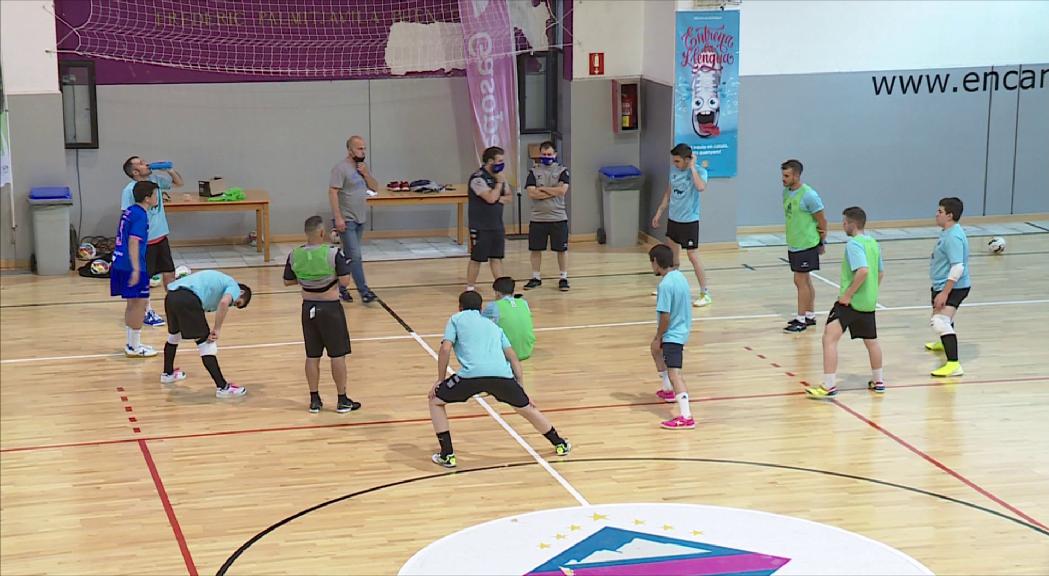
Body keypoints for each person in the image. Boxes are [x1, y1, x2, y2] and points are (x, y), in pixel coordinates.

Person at [428, 291, 570, 468]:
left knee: (435, 400)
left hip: (471, 375)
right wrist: (521, 391)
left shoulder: (456, 319)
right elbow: (513, 358)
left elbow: (445, 349)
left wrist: (440, 380)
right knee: (527, 409)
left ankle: (447, 454)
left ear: (460, 306)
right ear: (481, 308)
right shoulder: (493, 326)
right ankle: (559, 443)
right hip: (502, 375)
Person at [283, 216, 363, 414]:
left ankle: (314, 399)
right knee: (337, 355)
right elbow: (345, 282)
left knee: (312, 356)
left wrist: (307, 280)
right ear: (321, 232)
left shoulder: (295, 254)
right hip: (330, 309)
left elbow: (288, 281)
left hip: (308, 308)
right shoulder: (333, 253)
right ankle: (342, 400)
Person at [806, 207, 885, 398]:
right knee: (871, 342)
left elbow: (863, 270)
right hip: (868, 302)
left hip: (851, 302)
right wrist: (872, 292)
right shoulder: (873, 243)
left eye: (844, 222)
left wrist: (848, 295)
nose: (842, 225)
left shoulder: (854, 245)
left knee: (829, 337)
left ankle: (829, 385)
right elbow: (880, 272)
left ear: (852, 224)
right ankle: (878, 380)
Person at [161, 270, 252, 398]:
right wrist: (217, 329)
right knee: (206, 345)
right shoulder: (234, 287)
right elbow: (224, 303)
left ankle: (168, 374)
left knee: (174, 336)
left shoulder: (217, 286)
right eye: (237, 302)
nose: (232, 304)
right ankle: (223, 388)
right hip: (187, 298)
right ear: (241, 293)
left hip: (171, 296)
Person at [121, 156, 183, 326]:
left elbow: (178, 183)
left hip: (161, 238)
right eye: (140, 164)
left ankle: (175, 306)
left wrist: (169, 170)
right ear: (135, 172)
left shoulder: (154, 180)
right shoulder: (130, 190)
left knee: (169, 273)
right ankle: (146, 311)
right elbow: (127, 215)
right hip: (144, 242)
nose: (146, 164)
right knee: (144, 278)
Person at [650, 143, 711, 307]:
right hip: (673, 219)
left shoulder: (699, 172)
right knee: (672, 256)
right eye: (674, 161)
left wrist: (692, 168)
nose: (674, 164)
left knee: (693, 256)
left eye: (677, 161)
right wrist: (659, 211)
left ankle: (705, 293)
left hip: (689, 221)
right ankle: (670, 287)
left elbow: (700, 187)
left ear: (687, 160)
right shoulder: (674, 171)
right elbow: (668, 192)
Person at [649, 244, 695, 429]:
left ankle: (686, 416)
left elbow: (665, 316)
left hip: (672, 334)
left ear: (655, 262)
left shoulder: (665, 285)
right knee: (655, 352)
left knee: (675, 373)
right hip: (682, 329)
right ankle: (668, 390)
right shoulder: (680, 277)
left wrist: (659, 336)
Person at [112, 181, 159, 357]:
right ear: (147, 198)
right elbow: (133, 241)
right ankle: (135, 347)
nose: (157, 198)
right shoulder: (140, 215)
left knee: (132, 304)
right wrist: (136, 269)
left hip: (119, 261)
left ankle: (132, 344)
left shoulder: (130, 210)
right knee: (139, 304)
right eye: (155, 195)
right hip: (130, 264)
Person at [329, 135, 379, 304]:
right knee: (355, 256)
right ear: (350, 150)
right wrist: (338, 218)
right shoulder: (340, 169)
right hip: (347, 219)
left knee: (349, 256)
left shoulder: (362, 168)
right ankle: (364, 291)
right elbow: (333, 192)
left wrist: (366, 174)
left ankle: (339, 287)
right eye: (359, 148)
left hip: (360, 219)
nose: (363, 151)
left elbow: (374, 187)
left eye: (364, 148)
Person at [780, 159, 828, 333]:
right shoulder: (786, 193)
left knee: (799, 280)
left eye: (787, 176)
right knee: (805, 280)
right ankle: (810, 315)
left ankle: (801, 320)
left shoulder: (809, 195)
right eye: (782, 175)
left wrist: (822, 241)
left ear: (797, 175)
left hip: (807, 243)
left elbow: (821, 219)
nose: (783, 179)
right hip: (794, 243)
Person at [926, 197, 971, 377]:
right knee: (943, 320)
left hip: (954, 287)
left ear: (950, 215)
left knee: (939, 321)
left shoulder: (953, 236)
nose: (936, 214)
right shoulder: (948, 231)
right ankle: (944, 340)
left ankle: (953, 364)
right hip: (942, 284)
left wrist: (945, 292)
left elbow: (958, 266)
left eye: (940, 212)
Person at [523, 141, 571, 291]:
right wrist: (552, 190)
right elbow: (531, 193)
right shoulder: (533, 172)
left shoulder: (562, 171)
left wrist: (542, 189)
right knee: (535, 249)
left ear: (555, 154)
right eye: (544, 154)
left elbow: (562, 191)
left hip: (558, 217)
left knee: (561, 250)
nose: (546, 157)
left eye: (549, 154)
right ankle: (536, 277)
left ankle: (563, 277)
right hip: (538, 218)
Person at [466, 146, 511, 292]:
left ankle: (501, 288)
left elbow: (509, 197)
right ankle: (470, 288)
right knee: (477, 258)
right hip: (480, 225)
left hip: (497, 224)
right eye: (500, 160)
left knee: (496, 257)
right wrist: (498, 185)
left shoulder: (500, 176)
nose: (502, 163)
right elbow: (490, 198)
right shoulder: (477, 178)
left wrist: (496, 195)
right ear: (490, 161)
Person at [482, 276, 536, 360]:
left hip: (506, 354)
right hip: (527, 350)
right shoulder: (524, 303)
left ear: (497, 293)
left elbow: (479, 320)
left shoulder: (494, 306)